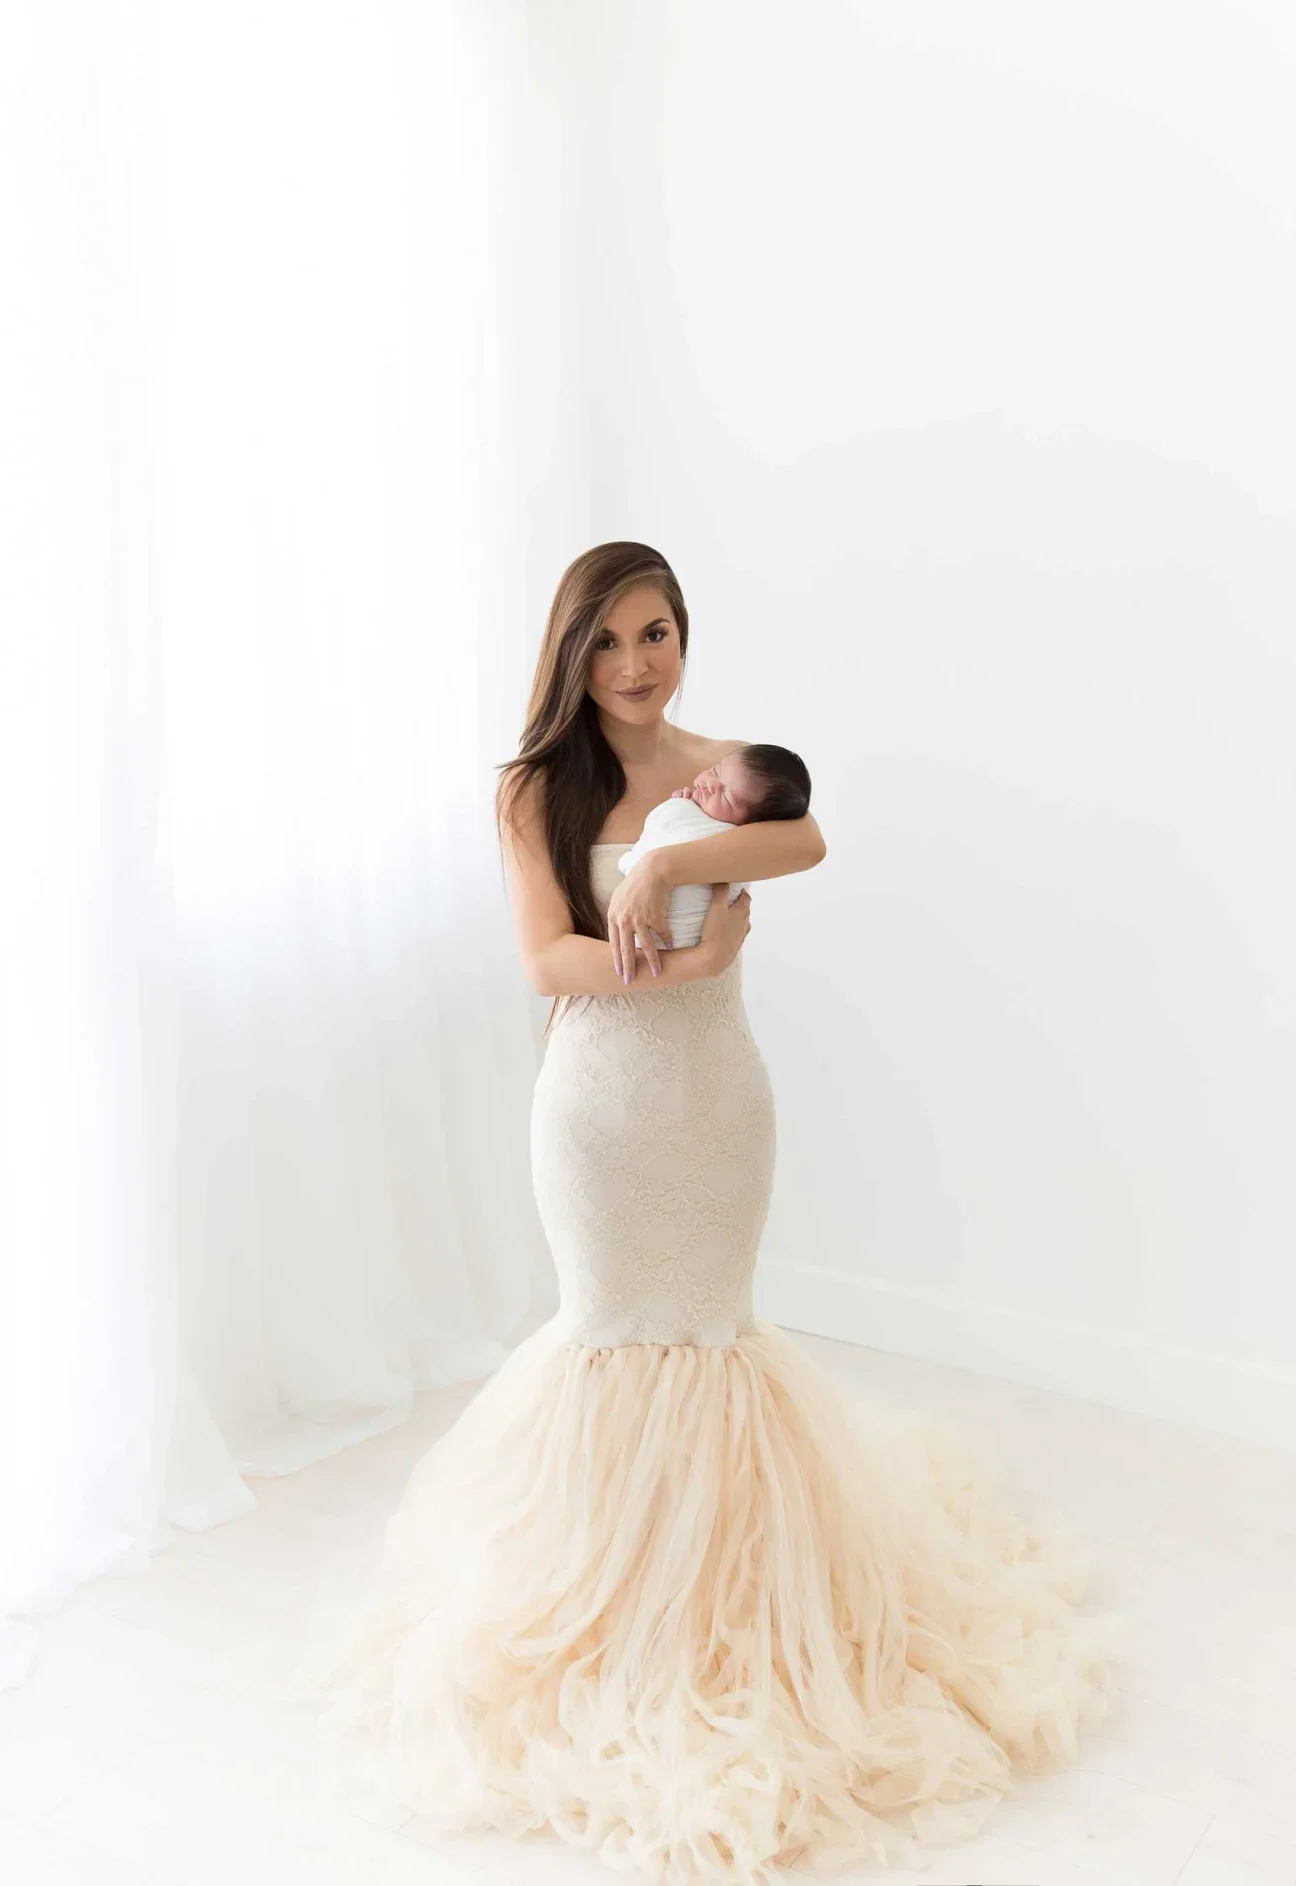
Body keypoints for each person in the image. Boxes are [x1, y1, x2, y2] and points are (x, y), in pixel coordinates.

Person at [306, 542, 1126, 1884]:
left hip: (714, 1107)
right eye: (610, 641)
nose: (635, 665)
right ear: (571, 651)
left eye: (656, 633)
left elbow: (806, 836)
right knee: (614, 1335)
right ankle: (610, 1619)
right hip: (599, 1112)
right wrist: (678, 943)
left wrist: (650, 869)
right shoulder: (532, 789)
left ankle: (728, 1618)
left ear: (684, 637)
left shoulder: (721, 766)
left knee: (714, 1332)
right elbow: (543, 960)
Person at [617, 742, 812, 949]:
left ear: (755, 826)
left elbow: (813, 848)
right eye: (715, 771)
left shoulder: (740, 841)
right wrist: (681, 809)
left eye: (726, 798)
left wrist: (678, 810)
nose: (710, 784)